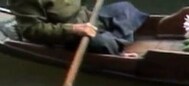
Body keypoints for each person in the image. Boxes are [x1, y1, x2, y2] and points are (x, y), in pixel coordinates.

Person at [8, 0, 147, 55]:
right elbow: (31, 30)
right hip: (67, 35)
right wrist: (73, 29)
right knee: (102, 43)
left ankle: (116, 43)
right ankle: (117, 50)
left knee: (125, 9)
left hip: (89, 19)